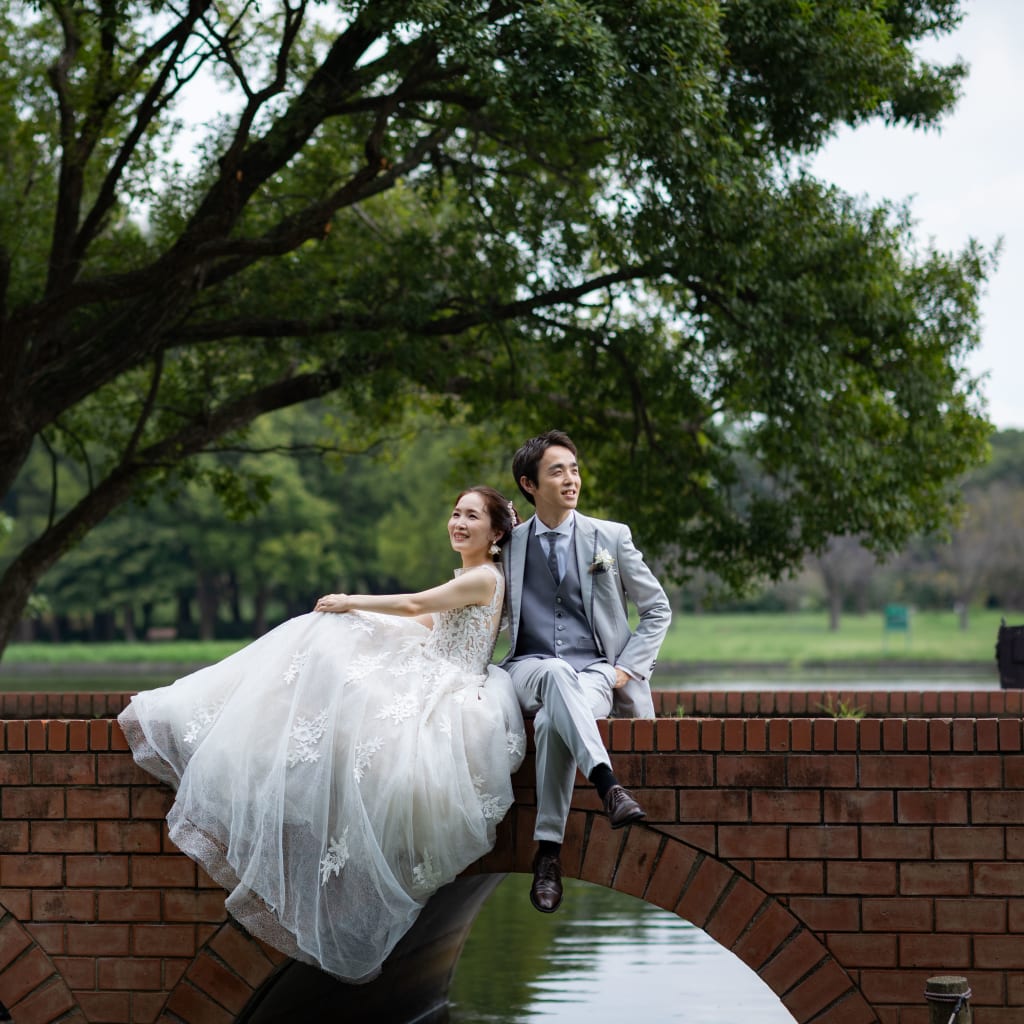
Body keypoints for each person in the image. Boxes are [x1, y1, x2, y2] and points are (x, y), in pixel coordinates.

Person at [118, 487, 526, 983]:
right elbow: (427, 618)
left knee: (338, 660)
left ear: (497, 532)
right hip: (432, 667)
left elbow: (417, 601)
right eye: (456, 512)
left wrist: (349, 599)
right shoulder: (471, 575)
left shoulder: (484, 576)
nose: (458, 522)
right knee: (331, 642)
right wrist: (357, 617)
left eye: (472, 517)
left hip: (448, 686)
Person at [501, 431, 671, 913]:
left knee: (556, 720)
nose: (571, 479)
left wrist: (628, 670)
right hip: (528, 668)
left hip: (597, 672)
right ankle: (608, 786)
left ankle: (548, 854)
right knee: (553, 673)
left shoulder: (611, 537)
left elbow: (657, 609)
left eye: (574, 469)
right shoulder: (507, 545)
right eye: (557, 471)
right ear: (528, 484)